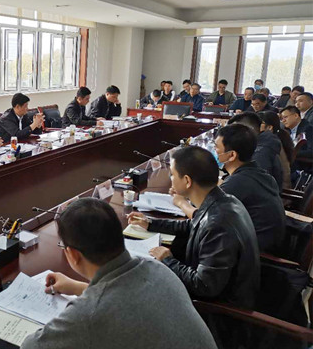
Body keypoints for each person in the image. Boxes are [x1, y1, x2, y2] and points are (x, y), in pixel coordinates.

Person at [21, 198, 217, 349]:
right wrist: (77, 287)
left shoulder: (89, 315)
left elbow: (30, 346)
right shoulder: (156, 267)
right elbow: (124, 298)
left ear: (72, 254)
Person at [128, 146, 260, 309]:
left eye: (172, 174)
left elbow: (204, 286)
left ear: (187, 181)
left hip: (220, 311)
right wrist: (150, 223)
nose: (171, 178)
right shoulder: (224, 200)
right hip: (222, 290)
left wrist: (168, 260)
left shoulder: (217, 224)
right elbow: (193, 224)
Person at [214, 124, 285, 252]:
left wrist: (181, 202)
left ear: (232, 155)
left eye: (216, 148)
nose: (214, 152)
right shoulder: (258, 173)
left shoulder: (237, 183)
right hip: (268, 243)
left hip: (254, 254)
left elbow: (205, 218)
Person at [228, 112, 283, 192]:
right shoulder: (259, 144)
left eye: (234, 132)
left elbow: (255, 187)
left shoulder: (260, 153)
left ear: (248, 130)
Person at [259, 111, 294, 190]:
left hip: (279, 191)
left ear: (269, 127)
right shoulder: (278, 137)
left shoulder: (271, 145)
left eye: (260, 123)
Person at [280, 105, 313, 172]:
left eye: (285, 117)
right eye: (281, 119)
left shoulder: (308, 129)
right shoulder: (286, 130)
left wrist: (291, 153)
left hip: (304, 168)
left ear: (295, 115)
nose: (283, 121)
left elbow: (311, 152)